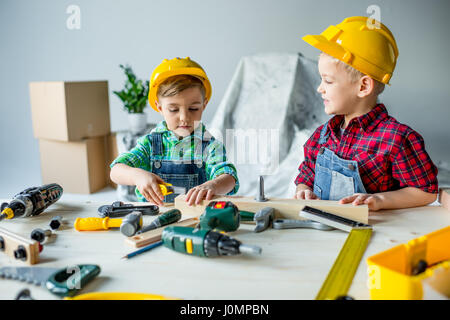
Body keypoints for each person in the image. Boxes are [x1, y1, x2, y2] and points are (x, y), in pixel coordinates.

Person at [294, 16, 438, 211]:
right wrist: (303, 190)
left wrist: (379, 200)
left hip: (372, 232)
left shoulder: (396, 139)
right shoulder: (322, 136)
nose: (320, 88)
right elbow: (306, 175)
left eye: (328, 81)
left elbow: (426, 191)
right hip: (322, 230)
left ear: (363, 86)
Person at [110, 57, 239, 206]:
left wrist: (213, 185)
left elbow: (230, 178)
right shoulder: (151, 143)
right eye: (173, 109)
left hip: (196, 220)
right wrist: (136, 175)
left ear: (204, 105)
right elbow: (115, 171)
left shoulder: (210, 146)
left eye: (193, 109)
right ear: (160, 108)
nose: (184, 118)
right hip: (155, 218)